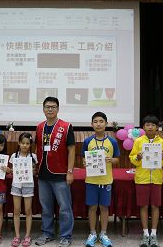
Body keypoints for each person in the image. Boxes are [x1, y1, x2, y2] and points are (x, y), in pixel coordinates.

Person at [34, 97, 75, 247]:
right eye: (47, 107)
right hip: (42, 174)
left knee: (64, 207)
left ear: (58, 109)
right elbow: (37, 148)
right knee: (46, 207)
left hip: (60, 174)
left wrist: (70, 171)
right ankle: (47, 233)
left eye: (53, 107)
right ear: (43, 109)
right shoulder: (39, 127)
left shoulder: (66, 126)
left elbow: (71, 150)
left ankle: (66, 236)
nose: (50, 109)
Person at [82, 112, 120, 247]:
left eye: (101, 121)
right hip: (91, 180)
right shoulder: (87, 141)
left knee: (104, 207)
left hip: (106, 180)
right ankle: (92, 233)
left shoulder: (112, 141)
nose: (98, 124)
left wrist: (111, 160)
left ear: (106, 124)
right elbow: (83, 158)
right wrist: (85, 162)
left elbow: (117, 159)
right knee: (92, 207)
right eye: (96, 121)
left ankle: (103, 233)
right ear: (91, 124)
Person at [129, 115, 163, 247]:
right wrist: (138, 157)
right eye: (147, 125)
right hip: (142, 179)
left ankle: (154, 234)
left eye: (153, 125)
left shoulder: (161, 142)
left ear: (157, 127)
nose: (150, 127)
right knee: (144, 206)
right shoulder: (139, 141)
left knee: (155, 206)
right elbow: (132, 158)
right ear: (143, 127)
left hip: (156, 179)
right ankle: (145, 234)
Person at [9, 132, 38, 247]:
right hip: (16, 185)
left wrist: (33, 171)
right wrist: (8, 170)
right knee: (16, 210)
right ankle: (16, 236)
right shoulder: (14, 156)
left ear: (30, 144)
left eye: (27, 143)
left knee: (28, 210)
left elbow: (35, 172)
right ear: (19, 143)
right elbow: (11, 171)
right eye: (23, 143)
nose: (25, 145)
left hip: (28, 186)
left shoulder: (33, 157)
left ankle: (27, 236)